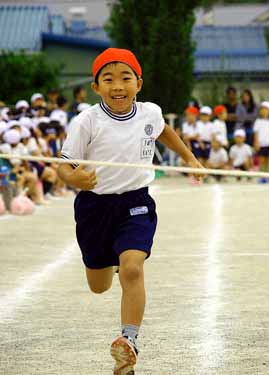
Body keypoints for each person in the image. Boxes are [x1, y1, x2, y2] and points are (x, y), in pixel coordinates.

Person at [57, 48, 204, 374]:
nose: (118, 85)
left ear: (139, 82)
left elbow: (164, 130)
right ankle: (108, 262)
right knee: (99, 285)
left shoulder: (150, 112)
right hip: (94, 207)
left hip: (135, 202)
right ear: (96, 87)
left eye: (126, 78)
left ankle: (129, 340)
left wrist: (189, 158)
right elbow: (63, 167)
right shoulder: (86, 121)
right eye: (108, 79)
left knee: (132, 268)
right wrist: (74, 177)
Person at [253, 101, 269, 181]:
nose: (263, 111)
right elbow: (256, 133)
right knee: (262, 160)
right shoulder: (258, 121)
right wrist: (256, 142)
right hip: (261, 144)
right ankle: (262, 176)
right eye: (262, 109)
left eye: (266, 109)